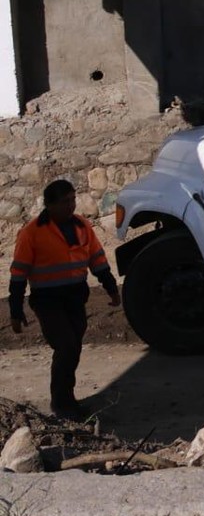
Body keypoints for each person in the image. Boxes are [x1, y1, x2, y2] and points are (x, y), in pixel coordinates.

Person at [8, 179, 120, 420]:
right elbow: (18, 274)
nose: (70, 206)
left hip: (75, 298)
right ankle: (62, 405)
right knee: (66, 346)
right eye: (64, 202)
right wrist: (16, 310)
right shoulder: (32, 232)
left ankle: (67, 400)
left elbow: (97, 260)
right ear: (49, 205)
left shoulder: (82, 226)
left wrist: (111, 288)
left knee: (73, 348)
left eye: (72, 200)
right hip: (47, 301)